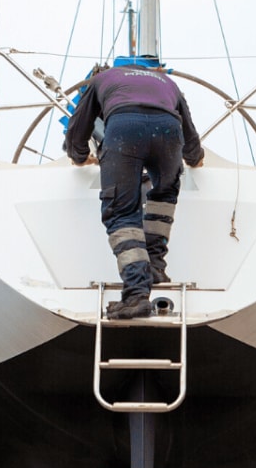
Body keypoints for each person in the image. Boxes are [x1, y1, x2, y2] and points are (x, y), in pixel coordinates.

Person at [64, 56, 204, 319]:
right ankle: (155, 267)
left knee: (122, 212)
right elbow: (190, 134)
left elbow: (78, 129)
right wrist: (196, 158)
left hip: (124, 129)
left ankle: (136, 294)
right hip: (169, 130)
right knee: (164, 195)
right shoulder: (167, 82)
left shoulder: (101, 79)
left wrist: (79, 155)